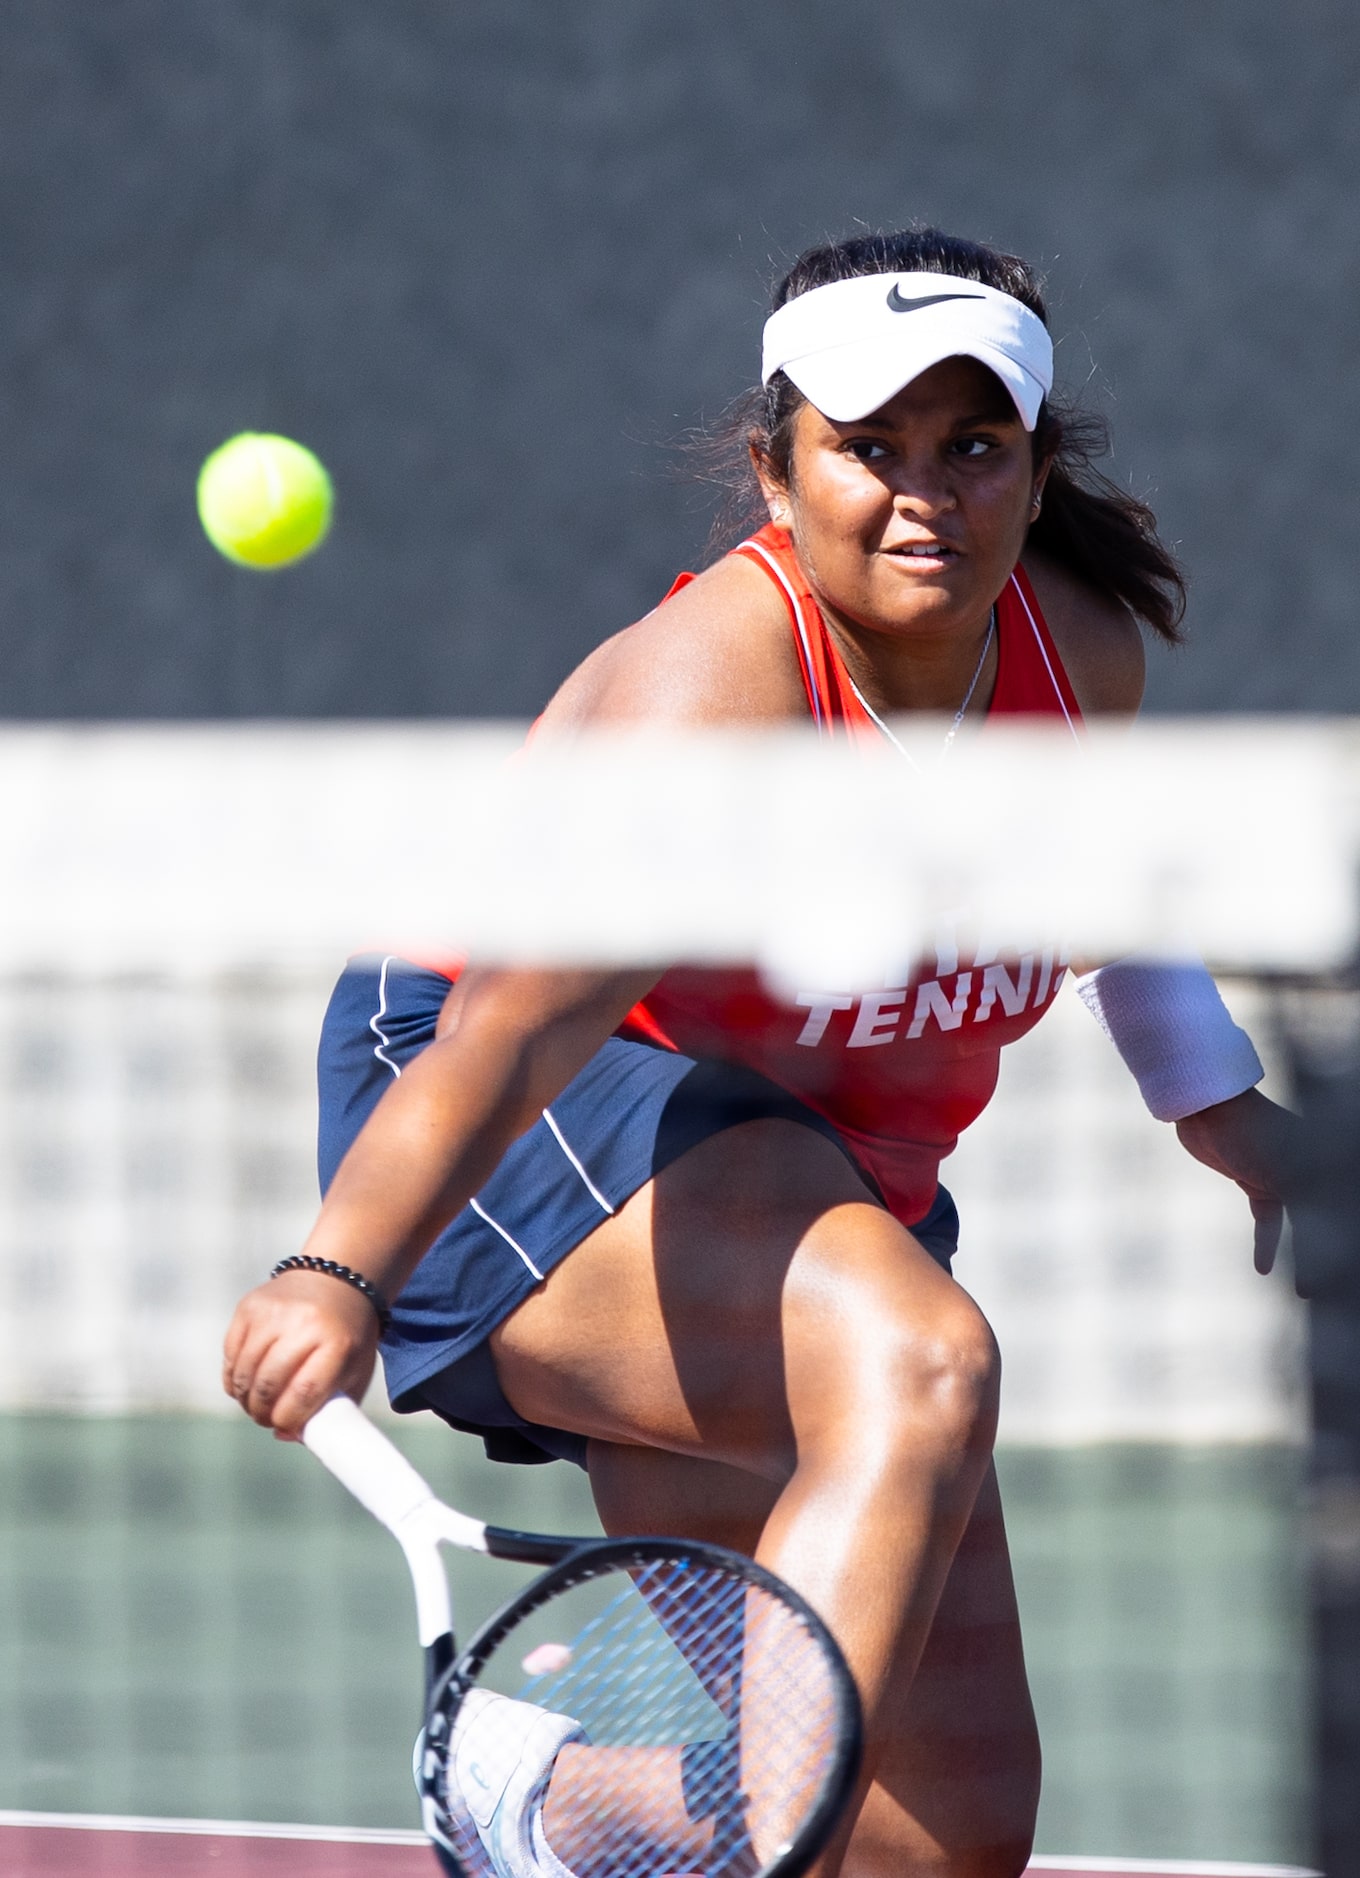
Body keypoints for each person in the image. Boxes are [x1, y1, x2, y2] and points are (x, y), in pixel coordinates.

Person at [223, 228, 1296, 1878]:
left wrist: (1221, 1107)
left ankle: (559, 1798)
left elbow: (1106, 881)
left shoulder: (1077, 656)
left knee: (940, 1836)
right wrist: (337, 1267)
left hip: (806, 1161)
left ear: (1033, 463)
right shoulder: (718, 694)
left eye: (971, 445)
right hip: (526, 1110)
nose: (922, 491)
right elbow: (527, 1015)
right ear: (776, 472)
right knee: (925, 1362)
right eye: (869, 448)